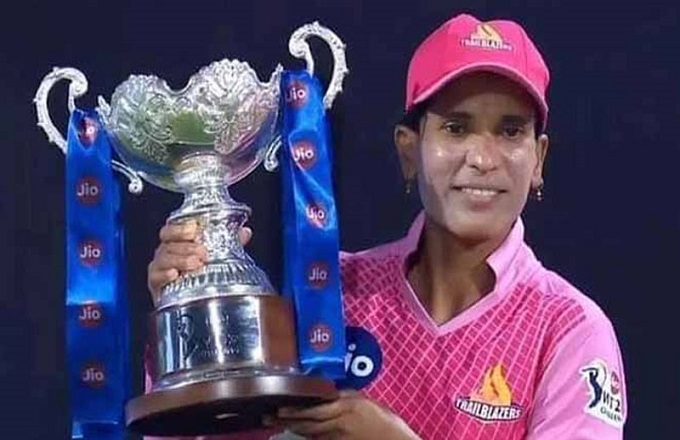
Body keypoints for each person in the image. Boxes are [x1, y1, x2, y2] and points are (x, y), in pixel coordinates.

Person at [145, 13, 627, 440]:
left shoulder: (567, 329)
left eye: (510, 130)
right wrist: (187, 321)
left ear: (538, 158)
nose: (482, 158)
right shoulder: (327, 294)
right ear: (408, 150)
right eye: (456, 127)